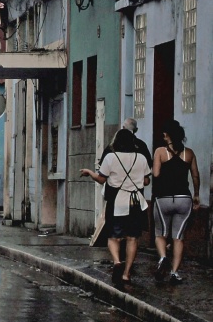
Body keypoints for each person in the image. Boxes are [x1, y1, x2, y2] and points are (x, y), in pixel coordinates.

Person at [81, 128, 150, 287]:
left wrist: (90, 172)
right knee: (133, 238)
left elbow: (101, 179)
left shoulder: (111, 157)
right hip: (136, 203)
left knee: (114, 237)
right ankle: (126, 274)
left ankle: (117, 261)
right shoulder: (141, 158)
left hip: (118, 202)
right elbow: (146, 181)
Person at [152, 120, 200, 284]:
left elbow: (156, 174)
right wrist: (196, 195)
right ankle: (174, 273)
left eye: (165, 133)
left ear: (169, 134)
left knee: (160, 234)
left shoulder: (160, 151)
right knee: (178, 237)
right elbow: (195, 175)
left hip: (163, 198)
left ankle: (163, 257)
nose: (163, 135)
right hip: (183, 199)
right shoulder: (189, 153)